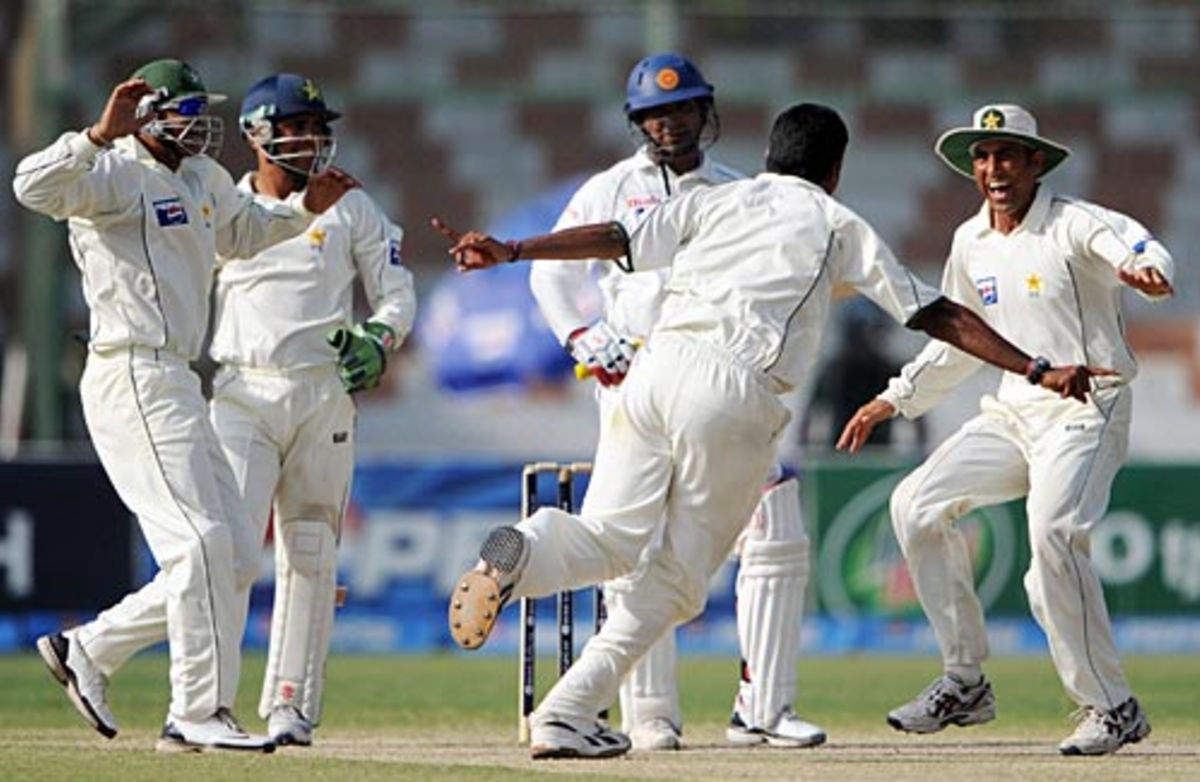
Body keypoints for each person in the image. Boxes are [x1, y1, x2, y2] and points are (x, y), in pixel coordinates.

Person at [436, 102, 1104, 760]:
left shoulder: (717, 199)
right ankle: (567, 712)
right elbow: (933, 312)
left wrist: (514, 249)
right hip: (731, 391)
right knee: (674, 584)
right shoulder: (838, 223)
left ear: (766, 157)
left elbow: (616, 236)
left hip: (652, 370)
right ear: (836, 170)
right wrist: (1035, 367)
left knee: (610, 542)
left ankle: (527, 550)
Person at [14, 58, 357, 752]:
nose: (200, 125)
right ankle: (196, 713)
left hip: (179, 378)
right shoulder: (109, 174)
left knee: (231, 555)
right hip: (129, 370)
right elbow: (30, 186)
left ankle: (90, 650)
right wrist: (93, 135)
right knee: (199, 544)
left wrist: (301, 212)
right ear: (148, 116)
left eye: (204, 111)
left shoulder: (201, 179)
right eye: (185, 111)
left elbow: (244, 234)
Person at [836, 103, 1173, 756]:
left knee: (1053, 533)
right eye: (983, 158)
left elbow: (1134, 242)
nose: (993, 169)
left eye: (1008, 156)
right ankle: (964, 680)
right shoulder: (971, 242)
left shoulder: (1073, 223)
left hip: (1088, 409)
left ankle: (1112, 706)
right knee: (914, 505)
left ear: (1035, 162)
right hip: (1013, 410)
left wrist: (1152, 272)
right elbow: (963, 343)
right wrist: (894, 399)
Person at [529, 52, 822, 752]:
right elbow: (551, 273)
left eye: (683, 109)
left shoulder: (736, 192)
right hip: (634, 386)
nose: (671, 124)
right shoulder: (609, 189)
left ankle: (766, 708)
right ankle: (650, 712)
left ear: (706, 113)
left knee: (775, 520)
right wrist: (583, 338)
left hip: (720, 386)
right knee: (634, 547)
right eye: (656, 114)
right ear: (637, 122)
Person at [207, 72, 416, 746]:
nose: (309, 139)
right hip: (241, 390)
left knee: (310, 550)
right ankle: (204, 703)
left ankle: (291, 704)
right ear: (256, 135)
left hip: (324, 391)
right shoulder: (222, 207)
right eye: (293, 127)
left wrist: (380, 340)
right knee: (228, 551)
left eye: (316, 127)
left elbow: (397, 293)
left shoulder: (350, 204)